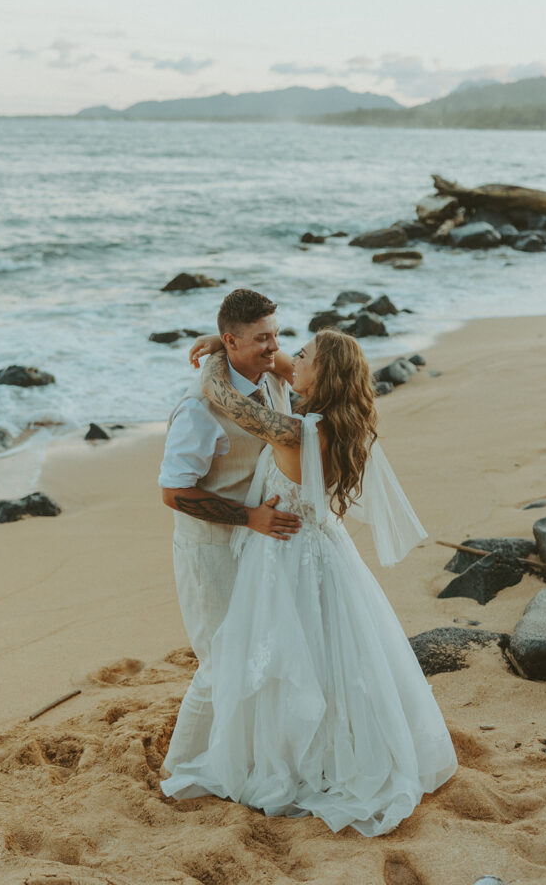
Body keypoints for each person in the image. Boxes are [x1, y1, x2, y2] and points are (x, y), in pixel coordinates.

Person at [160, 328, 458, 837]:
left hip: (287, 557)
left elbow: (223, 397)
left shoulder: (293, 432)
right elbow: (286, 371)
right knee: (334, 658)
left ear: (322, 375)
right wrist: (248, 348)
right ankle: (332, 749)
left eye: (302, 355)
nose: (287, 358)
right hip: (328, 550)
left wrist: (219, 350)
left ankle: (293, 761)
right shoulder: (345, 424)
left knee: (287, 661)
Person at [158, 289, 302, 776]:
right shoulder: (198, 409)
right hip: (212, 551)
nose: (274, 346)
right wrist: (249, 517)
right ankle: (185, 766)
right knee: (220, 663)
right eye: (262, 338)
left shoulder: (271, 375)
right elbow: (173, 492)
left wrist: (222, 346)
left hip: (261, 548)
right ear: (232, 341)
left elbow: (281, 361)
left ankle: (244, 755)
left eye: (276, 335)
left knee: (259, 653)